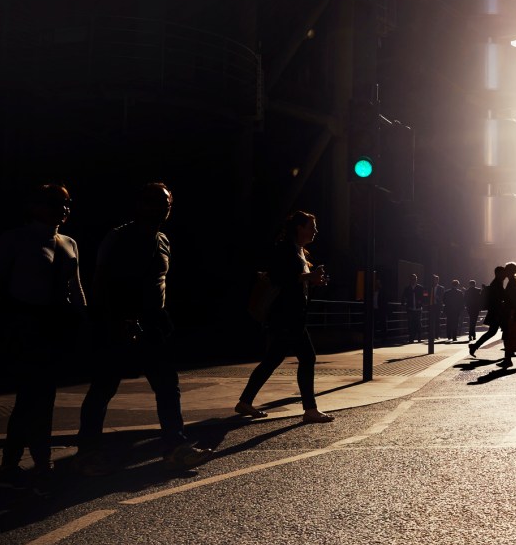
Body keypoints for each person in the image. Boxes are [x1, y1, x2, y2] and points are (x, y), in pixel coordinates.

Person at [76, 182, 215, 473]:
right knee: (104, 387)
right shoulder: (119, 237)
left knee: (167, 386)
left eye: (166, 203)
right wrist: (111, 320)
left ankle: (175, 447)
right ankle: (88, 452)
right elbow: (101, 282)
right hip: (120, 320)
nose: (161, 208)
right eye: (153, 201)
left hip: (154, 322)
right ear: (139, 205)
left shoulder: (163, 240)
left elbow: (159, 284)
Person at [0, 184, 87, 490]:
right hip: (26, 325)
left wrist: (84, 320)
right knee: (31, 395)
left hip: (55, 326)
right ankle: (30, 458)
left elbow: (75, 288)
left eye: (66, 204)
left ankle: (26, 460)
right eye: (54, 203)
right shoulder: (15, 240)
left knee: (44, 394)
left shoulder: (69, 243)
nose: (62, 209)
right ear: (34, 206)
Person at [235, 211, 333, 423]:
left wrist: (315, 281)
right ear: (299, 228)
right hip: (286, 315)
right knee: (307, 358)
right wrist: (309, 276)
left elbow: (298, 282)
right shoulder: (285, 249)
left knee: (272, 359)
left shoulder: (300, 251)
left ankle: (245, 401)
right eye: (311, 226)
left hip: (291, 315)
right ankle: (310, 409)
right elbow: (280, 278)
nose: (315, 231)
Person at [469, 266, 506, 355]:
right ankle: (508, 351)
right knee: (498, 331)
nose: (505, 275)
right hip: (497, 312)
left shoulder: (498, 282)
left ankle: (475, 346)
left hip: (496, 312)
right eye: (503, 273)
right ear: (498, 273)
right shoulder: (497, 283)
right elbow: (500, 297)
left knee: (493, 332)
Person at [400, 273, 426, 343]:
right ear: (410, 280)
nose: (413, 280)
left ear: (416, 280)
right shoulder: (407, 288)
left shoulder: (421, 288)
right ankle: (411, 338)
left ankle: (419, 337)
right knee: (410, 324)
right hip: (410, 308)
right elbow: (403, 296)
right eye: (412, 279)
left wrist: (422, 302)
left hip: (418, 309)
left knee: (418, 323)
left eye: (415, 279)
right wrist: (403, 303)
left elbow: (425, 295)